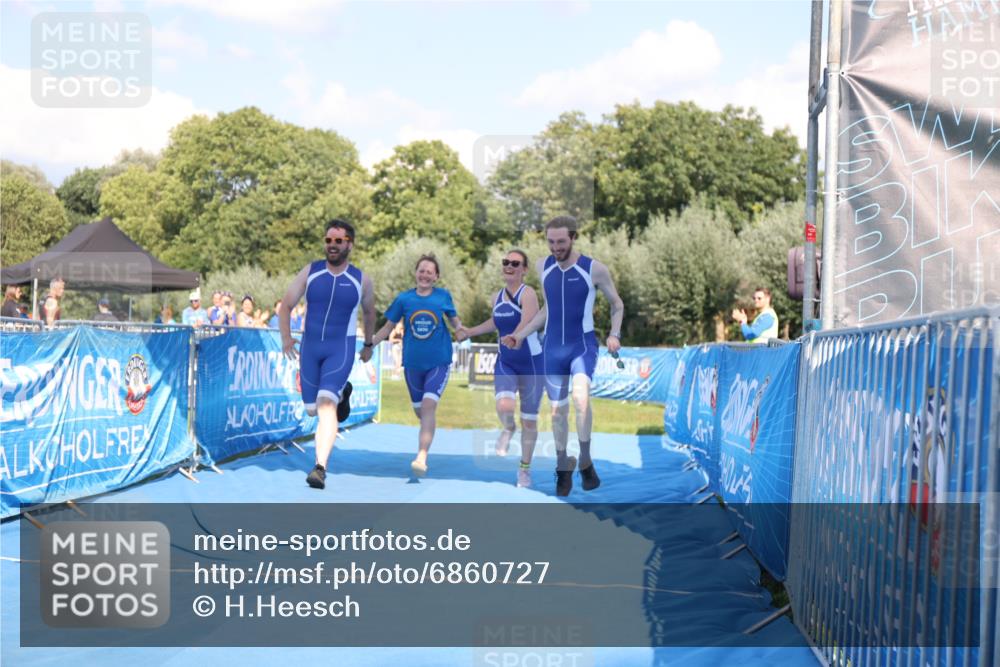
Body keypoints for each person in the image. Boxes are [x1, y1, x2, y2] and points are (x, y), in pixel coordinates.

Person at [503, 216, 624, 496]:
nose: (555, 247)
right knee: (557, 412)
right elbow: (547, 310)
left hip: (582, 346)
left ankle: (585, 460)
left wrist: (614, 333)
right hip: (552, 348)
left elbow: (617, 304)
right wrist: (520, 335)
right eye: (550, 242)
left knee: (581, 398)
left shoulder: (594, 269)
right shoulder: (543, 266)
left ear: (572, 238)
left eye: (561, 242)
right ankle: (563, 463)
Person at [280, 220, 375, 490]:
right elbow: (286, 305)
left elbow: (370, 313)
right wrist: (286, 337)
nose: (332, 245)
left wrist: (368, 344)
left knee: (325, 405)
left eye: (338, 241)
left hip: (340, 349)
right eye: (328, 240)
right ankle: (343, 392)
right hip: (310, 349)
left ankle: (319, 467)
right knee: (312, 409)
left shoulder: (361, 280)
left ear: (349, 244)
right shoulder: (310, 272)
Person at [371, 254, 463, 477]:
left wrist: (460, 330)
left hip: (438, 361)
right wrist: (369, 344)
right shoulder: (404, 299)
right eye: (421, 270)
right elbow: (387, 327)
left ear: (436, 276)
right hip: (412, 364)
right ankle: (428, 428)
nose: (424, 274)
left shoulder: (443, 297)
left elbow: (454, 320)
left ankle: (421, 457)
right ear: (416, 273)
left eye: (429, 271)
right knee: (420, 411)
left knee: (429, 406)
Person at [457, 250, 543, 488]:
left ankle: (524, 470)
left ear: (524, 269)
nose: (509, 266)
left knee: (530, 422)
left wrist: (516, 336)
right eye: (505, 262)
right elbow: (495, 322)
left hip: (532, 364)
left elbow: (529, 320)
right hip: (506, 361)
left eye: (515, 263)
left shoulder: (529, 294)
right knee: (504, 405)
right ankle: (508, 427)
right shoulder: (497, 296)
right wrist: (470, 331)